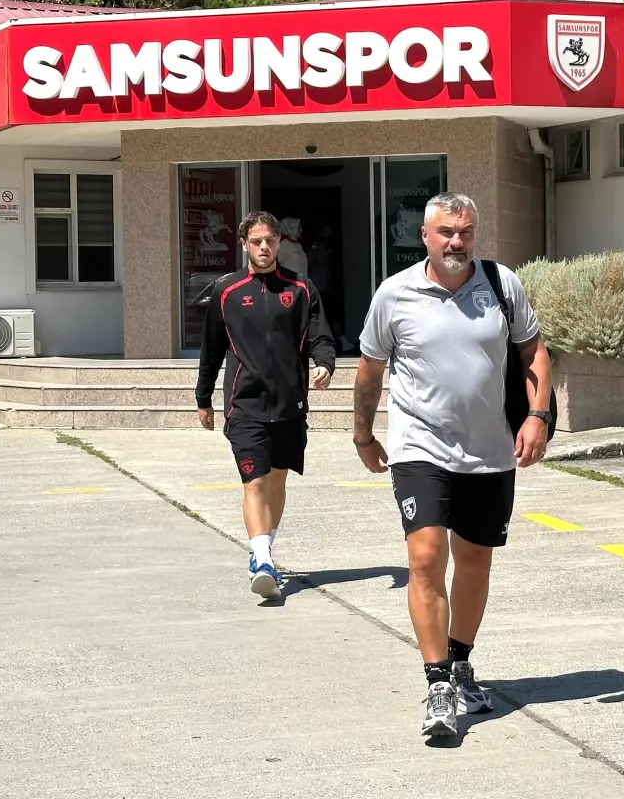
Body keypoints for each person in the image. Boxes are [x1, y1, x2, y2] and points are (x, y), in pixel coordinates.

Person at [351, 192, 553, 738]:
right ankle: (437, 681)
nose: (456, 242)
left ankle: (461, 662)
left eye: (464, 232)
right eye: (445, 232)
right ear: (425, 236)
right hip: (419, 446)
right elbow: (369, 371)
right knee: (425, 556)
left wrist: (536, 416)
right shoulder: (395, 294)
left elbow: (533, 351)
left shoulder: (502, 284)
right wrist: (363, 434)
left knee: (475, 560)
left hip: (490, 449)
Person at [196, 210, 336, 601]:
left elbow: (320, 335)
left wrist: (325, 364)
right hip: (245, 405)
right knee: (254, 482)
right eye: (256, 242)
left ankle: (263, 549)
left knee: (277, 481)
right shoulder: (226, 291)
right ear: (244, 245)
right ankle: (262, 560)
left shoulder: (301, 288)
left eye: (269, 241)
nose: (263, 248)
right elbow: (211, 350)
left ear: (278, 243)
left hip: (290, 405)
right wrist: (203, 398)